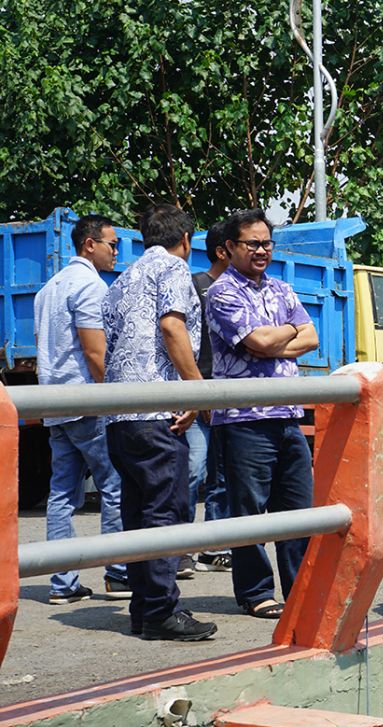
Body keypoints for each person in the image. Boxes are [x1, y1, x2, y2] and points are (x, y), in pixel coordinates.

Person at [102, 204, 217, 641]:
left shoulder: (121, 279)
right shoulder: (172, 268)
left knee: (138, 515)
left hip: (121, 415)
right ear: (185, 240)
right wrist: (196, 390)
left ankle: (145, 610)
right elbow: (172, 328)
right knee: (163, 513)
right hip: (156, 414)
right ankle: (161, 612)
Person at [206, 209, 318, 619]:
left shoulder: (282, 289)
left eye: (266, 243)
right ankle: (256, 593)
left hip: (288, 414)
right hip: (244, 418)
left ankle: (301, 589)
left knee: (299, 510)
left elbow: (311, 336)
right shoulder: (221, 293)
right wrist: (284, 332)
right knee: (249, 511)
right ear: (229, 248)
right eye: (252, 243)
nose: (261, 250)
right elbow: (256, 340)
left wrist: (277, 337)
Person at [33, 214, 129, 604]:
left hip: (56, 403)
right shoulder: (90, 286)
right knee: (115, 486)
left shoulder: (48, 290)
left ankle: (63, 584)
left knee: (61, 495)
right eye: (111, 244)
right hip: (89, 403)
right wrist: (117, 398)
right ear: (89, 244)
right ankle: (118, 575)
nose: (116, 252)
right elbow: (95, 351)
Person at [185, 220, 233, 573]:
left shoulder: (240, 290)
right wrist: (200, 393)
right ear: (222, 251)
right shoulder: (196, 286)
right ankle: (181, 546)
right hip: (199, 391)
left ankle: (214, 549)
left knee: (221, 476)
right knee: (192, 470)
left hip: (226, 395)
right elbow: (185, 344)